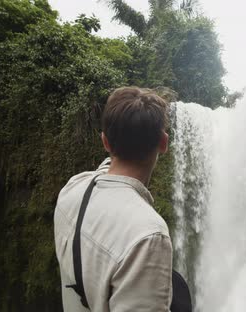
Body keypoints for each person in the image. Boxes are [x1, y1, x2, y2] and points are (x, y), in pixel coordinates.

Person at [54, 87, 173, 312]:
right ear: (163, 143)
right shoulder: (148, 235)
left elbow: (103, 171)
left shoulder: (73, 188)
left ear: (105, 142)